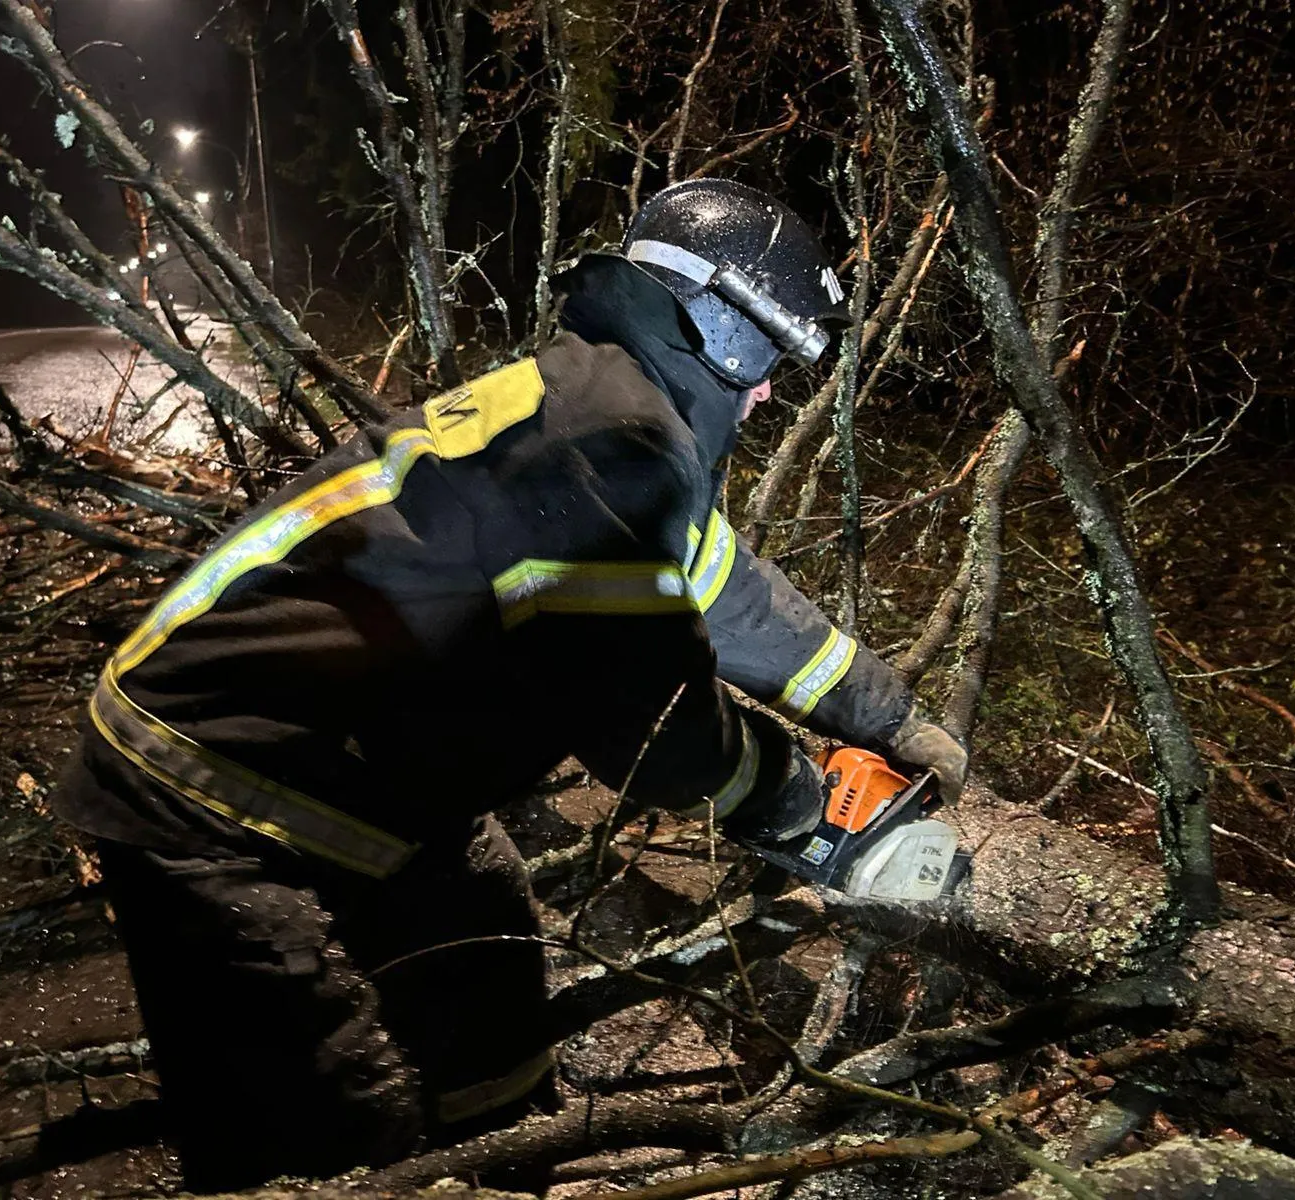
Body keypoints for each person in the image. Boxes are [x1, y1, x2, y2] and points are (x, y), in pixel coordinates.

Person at [49, 179, 969, 1190]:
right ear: (720, 331)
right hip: (205, 777)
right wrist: (801, 807)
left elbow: (734, 600)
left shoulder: (607, 412)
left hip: (356, 762)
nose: (764, 397)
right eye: (768, 365)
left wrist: (885, 716)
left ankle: (502, 1158)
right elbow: (645, 719)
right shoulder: (605, 439)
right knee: (309, 1111)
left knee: (481, 938)